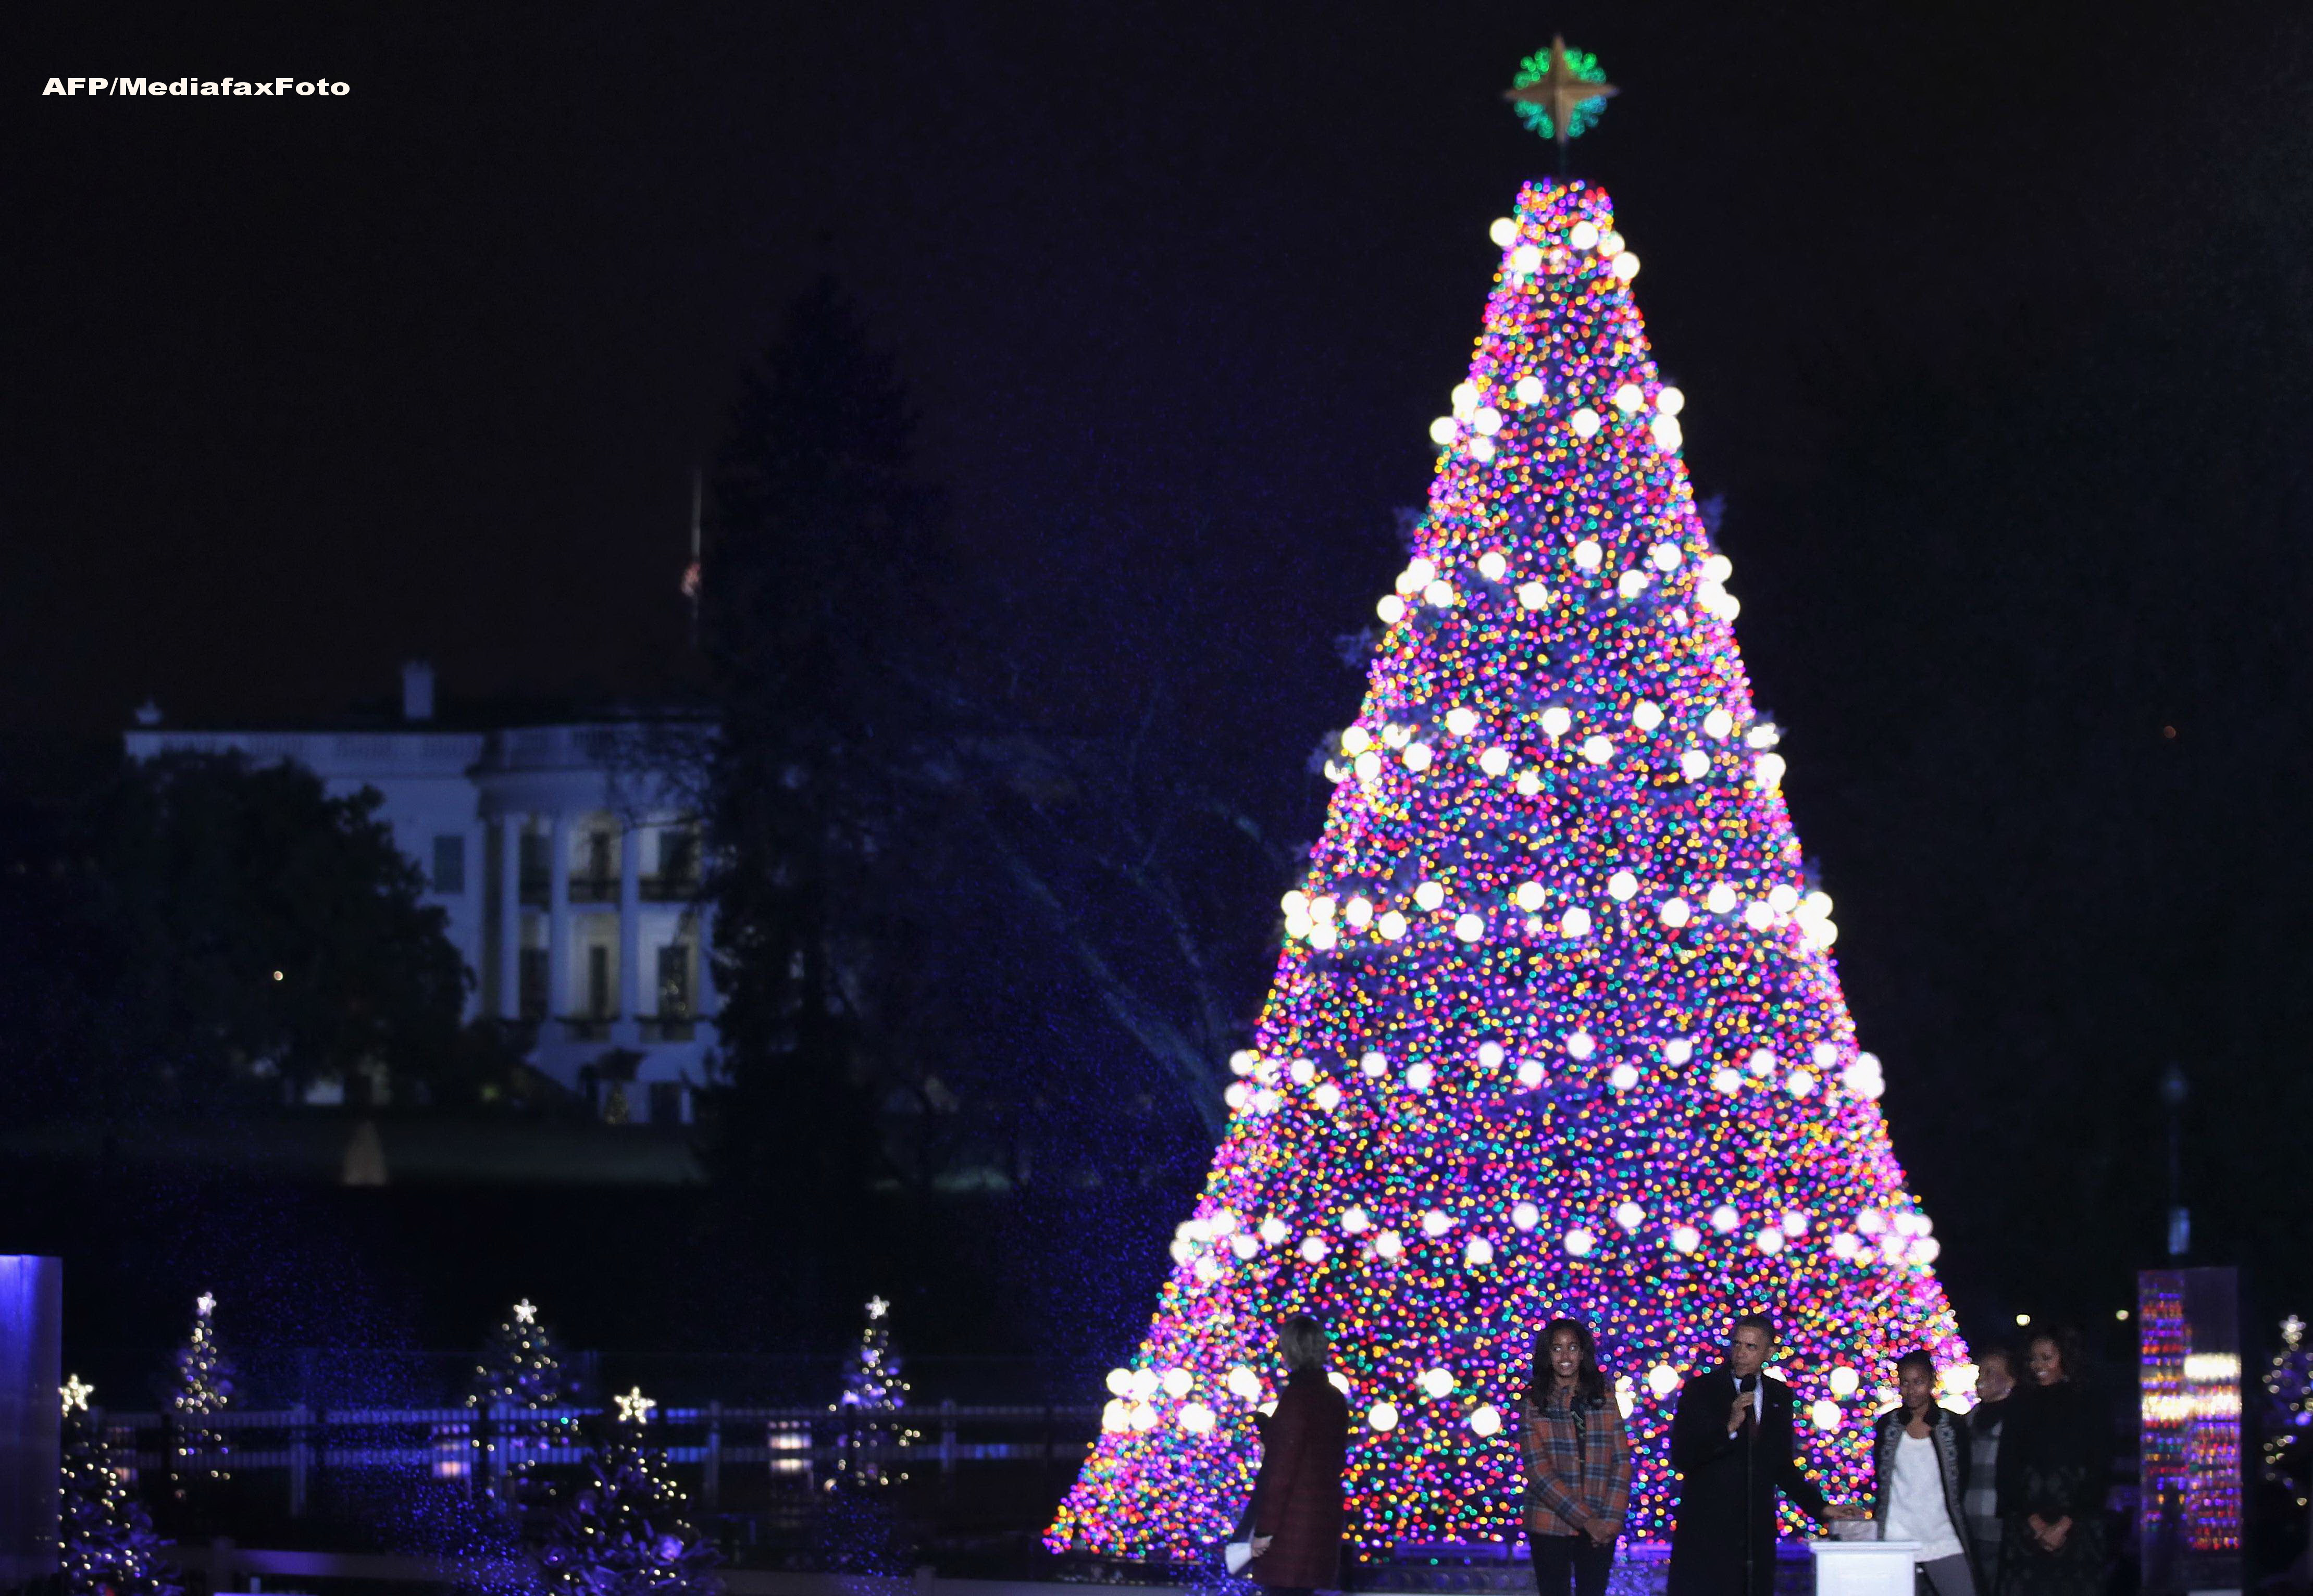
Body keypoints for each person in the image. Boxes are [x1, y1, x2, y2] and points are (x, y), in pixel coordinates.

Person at [1668, 1313, 1864, 1596]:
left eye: (1751, 1347)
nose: (1740, 1354)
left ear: (1770, 1352)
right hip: (1706, 1532)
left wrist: (1820, 1508)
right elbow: (1684, 1455)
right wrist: (1729, 1428)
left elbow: (1781, 1465)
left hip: (1754, 1533)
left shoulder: (1779, 1395)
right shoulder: (1702, 1390)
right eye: (1736, 1344)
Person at [1519, 1318, 1633, 1596]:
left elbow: (1621, 1462)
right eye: (1557, 1349)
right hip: (1550, 1522)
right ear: (1548, 1355)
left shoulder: (1605, 1399)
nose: (1565, 1356)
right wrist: (1587, 1521)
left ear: (1583, 1353)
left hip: (1601, 1523)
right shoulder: (1534, 1403)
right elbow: (1538, 1472)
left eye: (1572, 1348)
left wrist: (1610, 1521)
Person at [1994, 1327, 2110, 1596]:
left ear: (2065, 1358)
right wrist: (2034, 1522)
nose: (2038, 1366)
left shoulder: (2091, 1401)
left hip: (2078, 1527)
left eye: (2046, 1358)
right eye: (2034, 1359)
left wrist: (2065, 1524)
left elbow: (2100, 1466)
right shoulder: (2020, 1401)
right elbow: (2008, 1465)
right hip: (2027, 1529)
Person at [1247, 1313, 1349, 1596]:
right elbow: (1325, 1453)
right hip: (1321, 1518)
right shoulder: (1333, 1396)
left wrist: (1265, 1531)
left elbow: (1282, 1470)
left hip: (1292, 1528)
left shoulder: (1298, 1396)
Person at [1870, 1350, 1980, 1596]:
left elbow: (1964, 1476)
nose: (1911, 1390)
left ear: (1931, 1381)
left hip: (1941, 1532)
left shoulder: (1951, 1425)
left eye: (1918, 1382)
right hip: (1896, 1533)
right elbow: (1881, 1477)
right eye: (1905, 1382)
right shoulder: (1888, 1425)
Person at [1964, 1349, 2019, 1592]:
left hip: (2002, 1525)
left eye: (1990, 1372)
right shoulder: (1968, 1420)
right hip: (1969, 1523)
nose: (1980, 1379)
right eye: (1980, 1372)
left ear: (2010, 1380)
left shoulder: (2019, 1419)